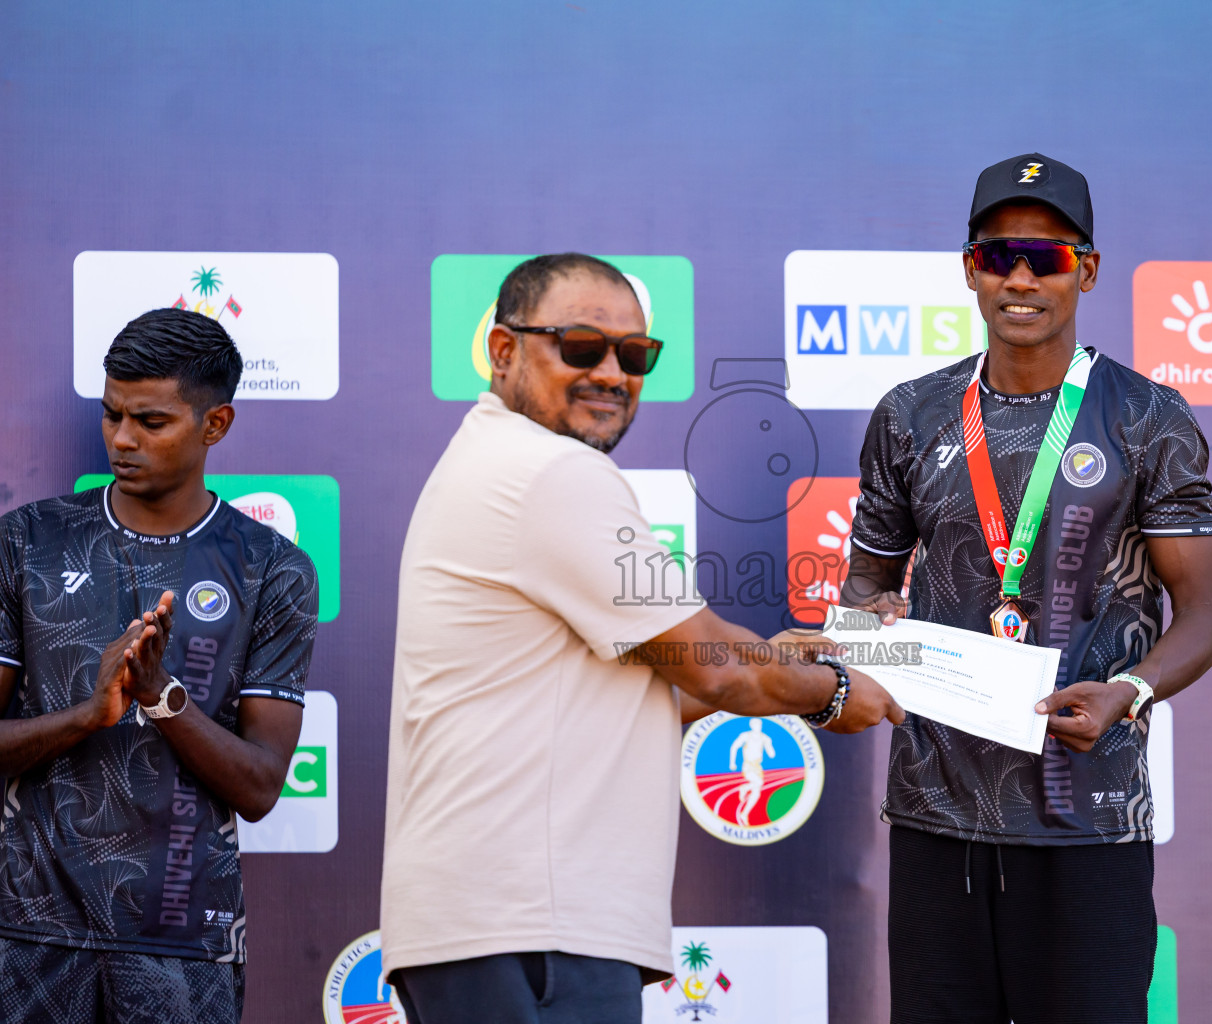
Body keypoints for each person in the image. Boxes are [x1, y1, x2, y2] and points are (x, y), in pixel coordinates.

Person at [380, 253, 903, 1024]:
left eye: (634, 355)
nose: (612, 373)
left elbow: (648, 685)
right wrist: (832, 696)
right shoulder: (549, 472)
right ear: (502, 351)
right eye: (582, 347)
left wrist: (780, 662)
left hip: (502, 926)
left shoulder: (497, 460)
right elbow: (716, 668)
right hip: (531, 926)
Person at [844, 153, 1212, 1023]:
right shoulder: (910, 414)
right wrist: (875, 626)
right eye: (999, 254)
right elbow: (867, 581)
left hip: (1087, 810)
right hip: (937, 814)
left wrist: (1129, 691)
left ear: (1086, 270)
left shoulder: (1147, 416)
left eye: (1047, 257)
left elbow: (1204, 616)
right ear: (970, 268)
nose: (1021, 277)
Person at [0, 308, 318, 1023]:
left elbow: (262, 786)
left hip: (182, 941)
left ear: (215, 425)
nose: (121, 438)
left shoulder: (270, 569)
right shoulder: (26, 541)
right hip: (26, 936)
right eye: (112, 415)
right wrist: (87, 715)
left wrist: (160, 696)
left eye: (150, 421)